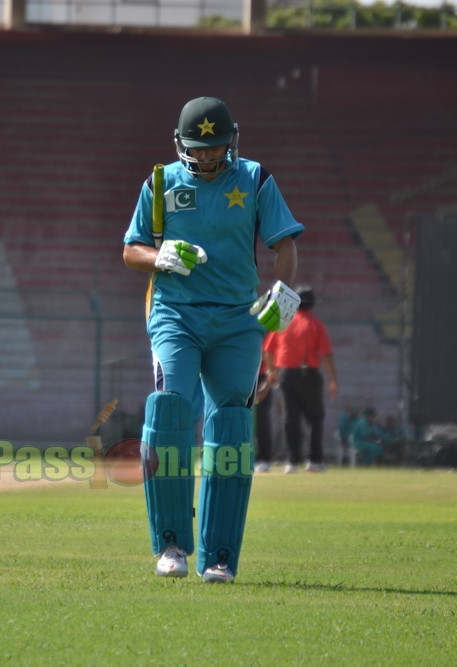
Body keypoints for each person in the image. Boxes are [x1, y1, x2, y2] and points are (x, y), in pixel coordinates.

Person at [123, 96, 304, 584]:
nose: (206, 157)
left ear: (232, 141)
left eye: (215, 148)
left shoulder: (254, 179)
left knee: (230, 425)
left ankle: (219, 556)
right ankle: (172, 546)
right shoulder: (160, 182)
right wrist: (159, 256)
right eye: (198, 149)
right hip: (174, 314)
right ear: (181, 144)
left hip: (237, 320)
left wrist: (283, 294)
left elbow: (284, 242)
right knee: (169, 408)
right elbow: (130, 248)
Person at [263, 285, 338, 473]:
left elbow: (268, 350)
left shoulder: (283, 322)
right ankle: (314, 460)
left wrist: (272, 372)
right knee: (315, 418)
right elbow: (326, 354)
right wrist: (332, 380)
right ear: (312, 305)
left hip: (287, 374)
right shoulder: (316, 324)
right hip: (310, 373)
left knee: (291, 419)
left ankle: (292, 461)